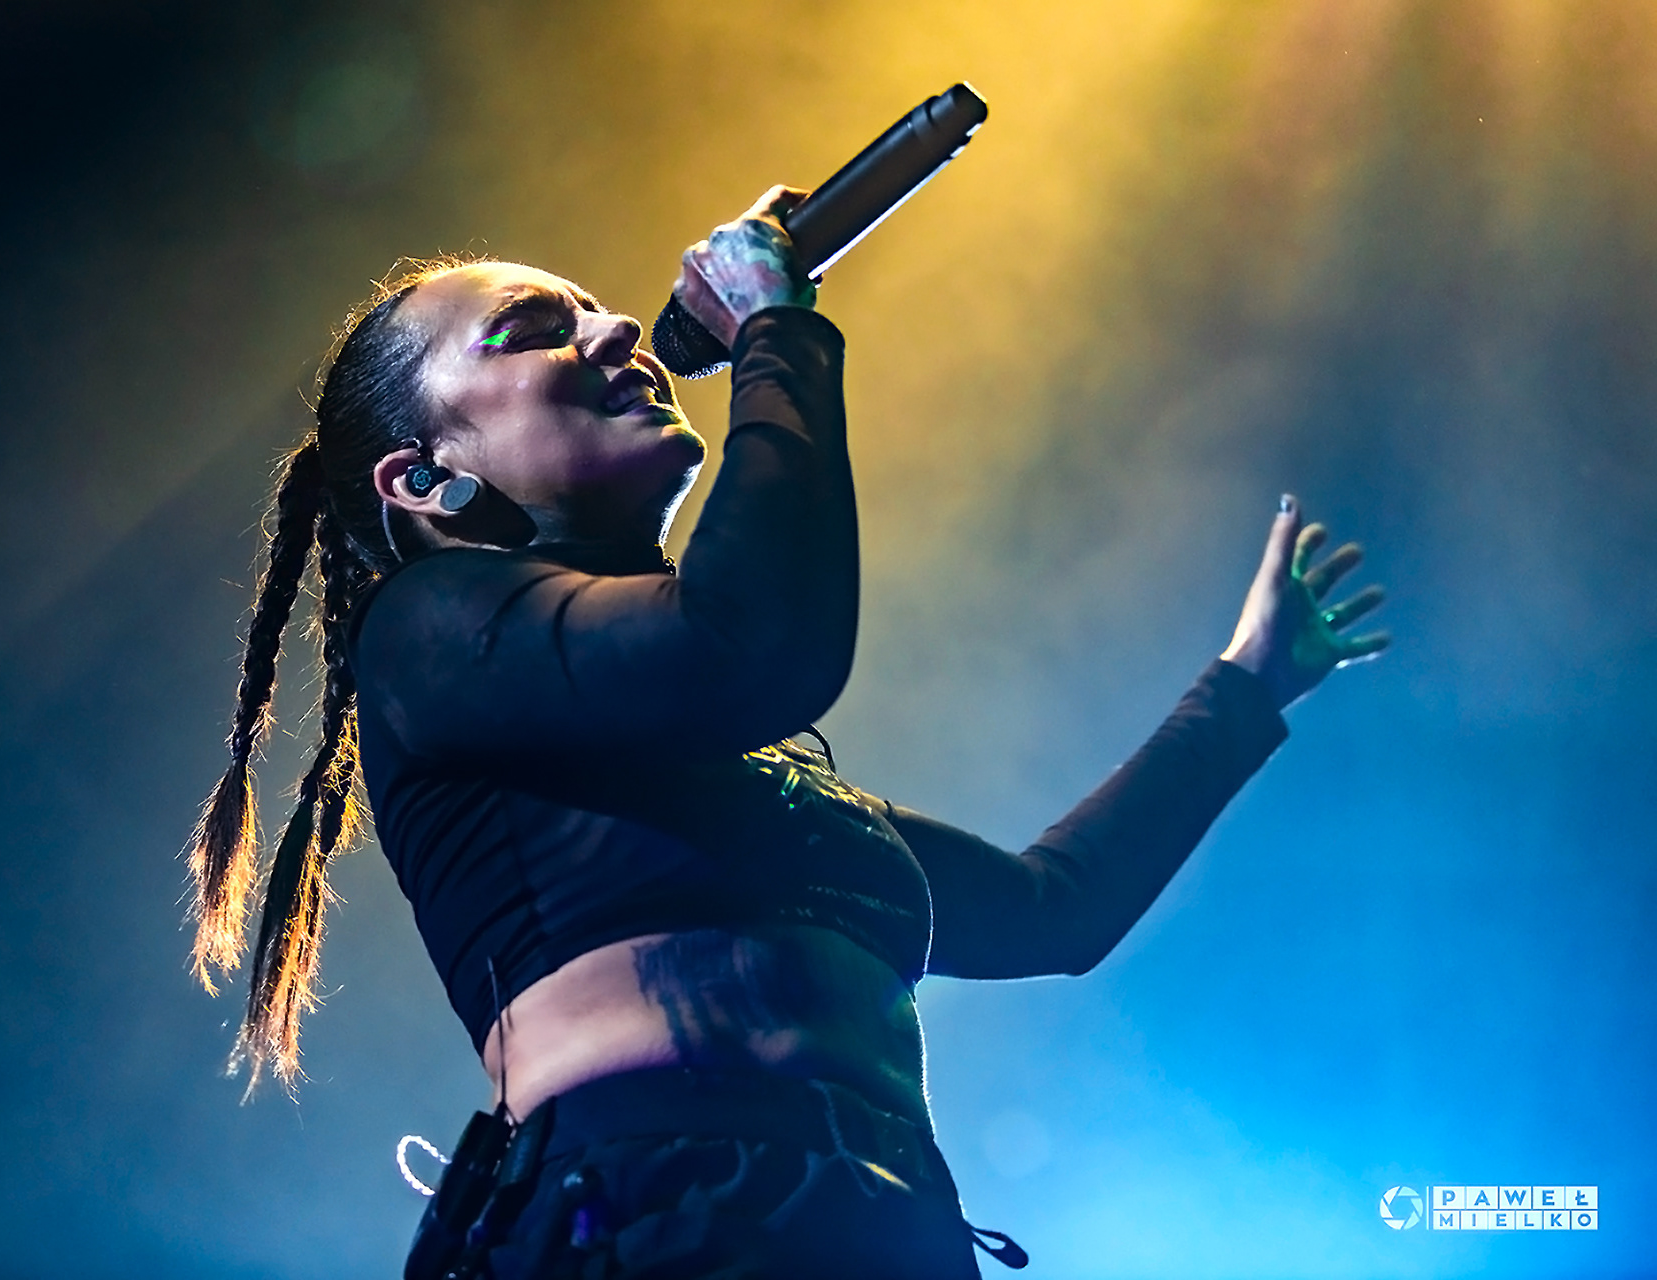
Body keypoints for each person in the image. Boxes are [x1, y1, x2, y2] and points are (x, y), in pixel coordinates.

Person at [183, 186, 1388, 1279]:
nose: (616, 330)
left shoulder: (745, 779)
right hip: (642, 1216)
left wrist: (1250, 683)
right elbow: (749, 643)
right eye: (534, 330)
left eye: (597, 311)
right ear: (421, 477)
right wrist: (778, 330)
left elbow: (1050, 908)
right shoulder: (425, 629)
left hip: (879, 1223)